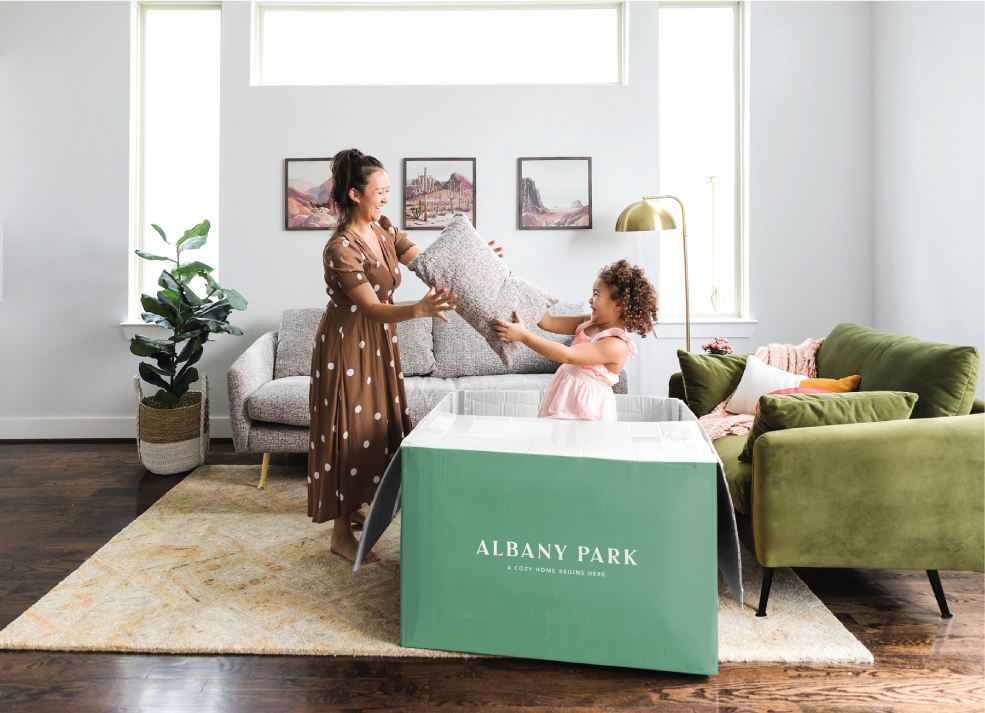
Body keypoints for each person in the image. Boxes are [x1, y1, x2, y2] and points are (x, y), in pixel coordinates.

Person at [309, 148, 501, 564]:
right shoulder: (341, 248)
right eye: (378, 191)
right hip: (346, 347)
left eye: (388, 190)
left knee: (373, 428)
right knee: (347, 430)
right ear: (356, 194)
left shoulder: (384, 229)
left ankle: (357, 504)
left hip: (377, 345)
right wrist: (418, 310)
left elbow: (429, 263)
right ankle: (340, 534)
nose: (384, 197)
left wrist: (480, 264)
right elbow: (371, 308)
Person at [492, 259, 657, 421]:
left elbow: (567, 355)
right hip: (564, 395)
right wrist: (521, 286)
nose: (590, 300)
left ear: (619, 305)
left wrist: (523, 336)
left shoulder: (616, 344)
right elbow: (548, 322)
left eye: (596, 294)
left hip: (587, 407)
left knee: (580, 446)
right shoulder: (588, 323)